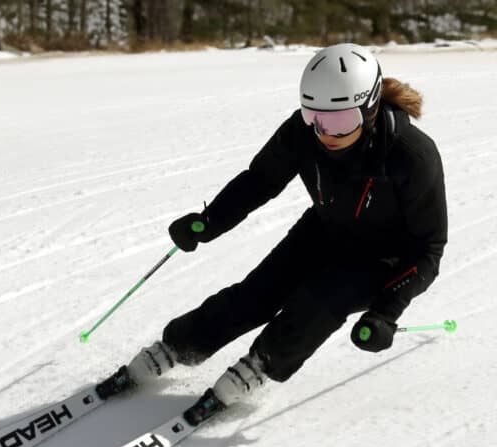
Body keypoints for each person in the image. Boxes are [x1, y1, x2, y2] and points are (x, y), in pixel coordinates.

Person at [95, 42, 448, 426]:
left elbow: (428, 249)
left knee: (318, 304)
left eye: (341, 121)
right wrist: (209, 221)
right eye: (314, 115)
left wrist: (386, 312)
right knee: (255, 294)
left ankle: (259, 367)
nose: (325, 132)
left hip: (381, 258)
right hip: (325, 230)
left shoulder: (411, 155)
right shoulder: (303, 133)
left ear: (370, 107)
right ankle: (178, 346)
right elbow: (259, 180)